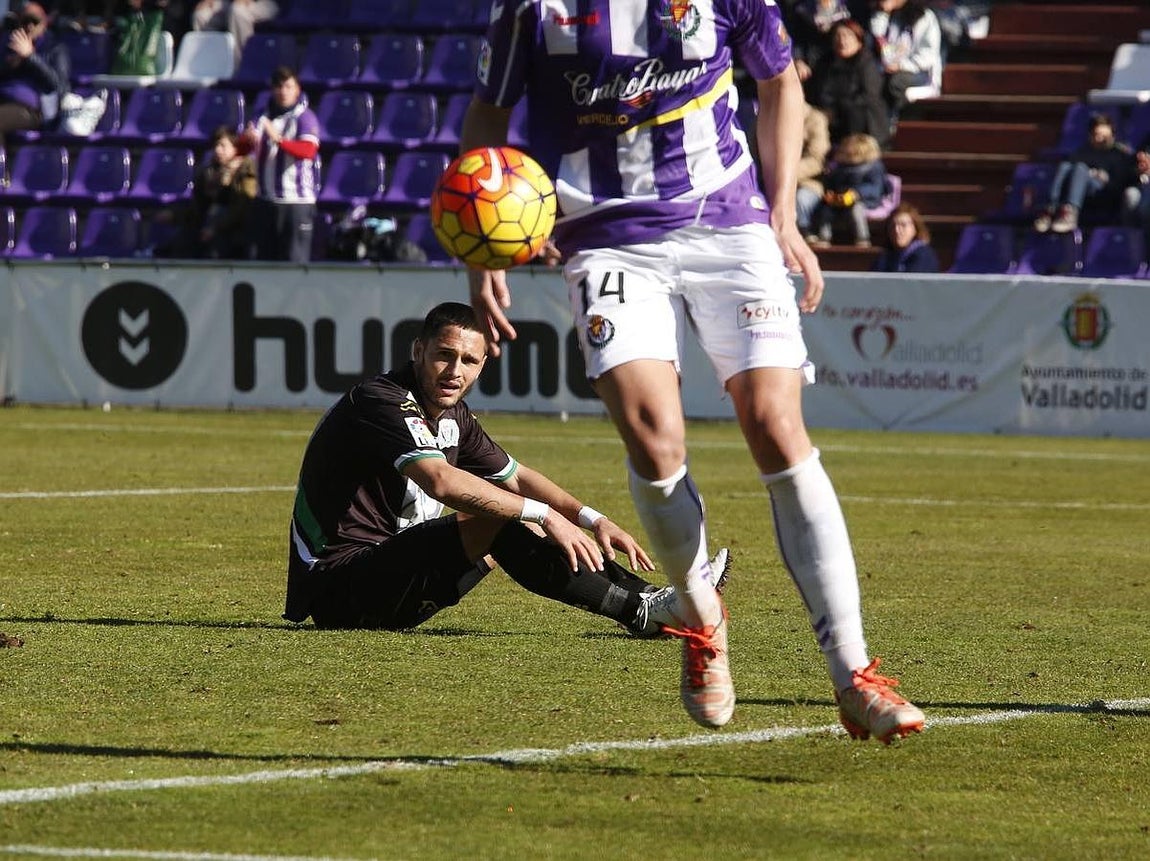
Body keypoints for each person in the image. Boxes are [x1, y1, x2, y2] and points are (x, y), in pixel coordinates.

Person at [462, 0, 925, 741]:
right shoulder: (530, 8)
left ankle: (854, 674)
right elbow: (488, 113)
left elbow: (780, 83)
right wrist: (477, 253)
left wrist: (781, 215)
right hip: (606, 235)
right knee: (655, 441)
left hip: (730, 221)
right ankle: (699, 610)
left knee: (776, 423)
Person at [284, 301, 729, 636]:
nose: (453, 371)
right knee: (503, 518)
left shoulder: (454, 416)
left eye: (469, 361)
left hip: (396, 585)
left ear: (482, 365)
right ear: (418, 350)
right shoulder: (380, 400)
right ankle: (645, 609)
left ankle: (654, 602)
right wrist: (539, 514)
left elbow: (516, 476)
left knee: (509, 515)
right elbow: (440, 481)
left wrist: (593, 519)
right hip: (339, 589)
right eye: (444, 354)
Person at [239, 65, 319, 263]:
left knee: (293, 263)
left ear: (297, 89)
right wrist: (245, 140)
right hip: (265, 200)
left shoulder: (304, 118)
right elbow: (242, 150)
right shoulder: (261, 117)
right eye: (279, 87)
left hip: (295, 202)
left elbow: (308, 150)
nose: (283, 92)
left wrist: (280, 140)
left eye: (289, 87)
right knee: (262, 261)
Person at [1033, 113, 1135, 235]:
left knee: (1081, 168)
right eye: (1096, 135)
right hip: (1080, 190)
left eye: (1104, 136)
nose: (1099, 139)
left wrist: (1101, 176)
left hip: (1104, 192)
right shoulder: (1084, 151)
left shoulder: (1119, 154)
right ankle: (1049, 209)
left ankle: (1070, 212)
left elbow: (1120, 182)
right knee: (1065, 166)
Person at [805, 17, 890, 148]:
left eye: (847, 36)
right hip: (828, 118)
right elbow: (815, 92)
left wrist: (836, 110)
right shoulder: (824, 63)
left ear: (859, 41)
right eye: (838, 36)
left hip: (861, 122)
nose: (842, 41)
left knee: (855, 112)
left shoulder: (867, 63)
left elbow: (869, 96)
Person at [0, 2, 69, 144]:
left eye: (35, 21)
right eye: (25, 21)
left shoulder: (55, 48)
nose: (29, 26)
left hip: (33, 110)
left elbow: (60, 86)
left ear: (44, 23)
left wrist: (30, 57)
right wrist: (9, 65)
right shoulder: (9, 44)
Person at [187, 125, 256, 259]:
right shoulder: (209, 172)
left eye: (223, 146)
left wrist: (215, 228)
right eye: (215, 146)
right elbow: (199, 205)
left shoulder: (246, 169)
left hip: (235, 230)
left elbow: (241, 208)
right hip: (210, 226)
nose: (218, 150)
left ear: (235, 147)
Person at [808, 132, 888, 246]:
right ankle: (824, 236)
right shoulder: (839, 168)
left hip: (863, 200)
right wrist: (831, 194)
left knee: (856, 210)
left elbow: (875, 188)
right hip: (839, 199)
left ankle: (862, 238)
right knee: (825, 209)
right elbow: (831, 183)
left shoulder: (873, 167)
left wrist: (857, 193)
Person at [869, 0, 943, 123]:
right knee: (871, 82)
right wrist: (882, 12)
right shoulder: (885, 16)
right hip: (888, 69)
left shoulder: (925, 16)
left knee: (896, 82)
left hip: (919, 72)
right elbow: (878, 37)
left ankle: (900, 124)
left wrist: (901, 65)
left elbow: (929, 55)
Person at [191, 0, 278, 64]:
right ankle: (209, 64)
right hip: (231, 3)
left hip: (264, 3)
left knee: (238, 12)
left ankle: (242, 64)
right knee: (201, 14)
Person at [796, 102, 832, 239]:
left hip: (808, 182)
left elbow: (817, 159)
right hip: (768, 178)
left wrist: (784, 176)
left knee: (801, 199)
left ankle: (806, 232)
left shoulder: (815, 118)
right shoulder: (766, 113)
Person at [871, 202, 939, 271]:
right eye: (892, 226)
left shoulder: (924, 256)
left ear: (915, 228)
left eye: (903, 225)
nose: (897, 230)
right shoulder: (885, 257)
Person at [107, 0, 164, 77]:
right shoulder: (126, 14)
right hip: (121, 66)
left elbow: (162, 4)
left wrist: (144, 3)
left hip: (144, 66)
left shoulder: (154, 15)